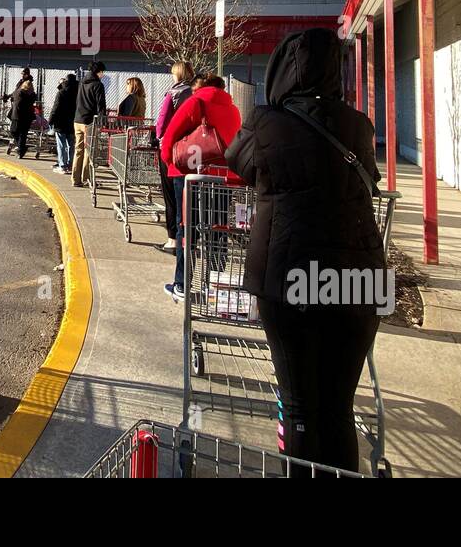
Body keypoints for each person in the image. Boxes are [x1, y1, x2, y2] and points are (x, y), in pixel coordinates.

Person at [225, 27, 383, 474]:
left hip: (289, 271)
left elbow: (241, 164)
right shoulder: (357, 125)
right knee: (337, 406)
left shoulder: (264, 121)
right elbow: (366, 180)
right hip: (359, 279)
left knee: (299, 406)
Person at [159, 74, 241, 302]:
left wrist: (170, 162)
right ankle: (214, 284)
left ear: (200, 88)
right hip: (222, 177)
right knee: (218, 229)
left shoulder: (195, 103)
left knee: (187, 228)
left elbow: (170, 137)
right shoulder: (233, 110)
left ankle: (182, 284)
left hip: (189, 174)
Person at [154, 62, 195, 251]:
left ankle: (173, 239)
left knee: (171, 195)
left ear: (177, 74)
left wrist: (157, 137)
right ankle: (189, 236)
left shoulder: (173, 93)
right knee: (189, 197)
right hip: (193, 149)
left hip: (172, 149)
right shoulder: (196, 93)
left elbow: (162, 122)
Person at [71, 61, 107, 187]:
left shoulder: (81, 83)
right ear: (99, 72)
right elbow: (101, 105)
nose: (103, 75)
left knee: (78, 150)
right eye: (103, 72)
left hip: (77, 120)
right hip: (89, 122)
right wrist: (103, 122)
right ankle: (86, 178)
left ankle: (75, 179)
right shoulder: (98, 85)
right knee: (88, 151)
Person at [47, 73, 78, 174]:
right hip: (73, 122)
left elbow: (55, 108)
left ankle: (62, 165)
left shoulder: (61, 92)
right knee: (71, 145)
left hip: (60, 122)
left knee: (61, 145)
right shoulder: (78, 93)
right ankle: (70, 164)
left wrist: (50, 120)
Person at [7, 75, 37, 159]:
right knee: (16, 132)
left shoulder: (28, 94)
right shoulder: (21, 93)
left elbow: (16, 98)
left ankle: (21, 150)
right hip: (20, 116)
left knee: (20, 133)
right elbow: (14, 96)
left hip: (23, 116)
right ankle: (22, 147)